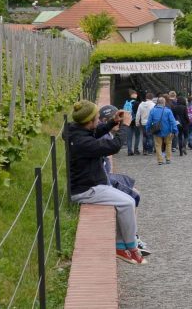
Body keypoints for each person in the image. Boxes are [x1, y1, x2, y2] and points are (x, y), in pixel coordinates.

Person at [63, 100, 147, 265]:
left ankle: (122, 245)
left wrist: (113, 122)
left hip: (89, 183)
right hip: (87, 189)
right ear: (89, 121)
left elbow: (95, 132)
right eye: (96, 118)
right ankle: (130, 247)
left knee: (127, 201)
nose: (98, 121)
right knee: (128, 202)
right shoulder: (83, 142)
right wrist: (125, 126)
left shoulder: (77, 131)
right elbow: (113, 146)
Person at [96, 105, 150, 256]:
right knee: (133, 196)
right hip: (103, 180)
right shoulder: (104, 136)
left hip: (105, 176)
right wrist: (124, 126)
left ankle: (133, 235)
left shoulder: (103, 132)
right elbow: (115, 147)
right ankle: (132, 238)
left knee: (132, 187)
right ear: (107, 120)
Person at [146, 97, 178, 165]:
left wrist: (147, 129)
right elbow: (172, 121)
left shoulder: (153, 110)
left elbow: (149, 122)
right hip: (168, 130)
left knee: (158, 145)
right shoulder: (168, 111)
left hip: (157, 131)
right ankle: (168, 159)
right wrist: (175, 130)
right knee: (168, 144)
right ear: (164, 103)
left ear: (157, 103)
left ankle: (160, 160)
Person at [121, 89, 142, 156]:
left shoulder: (126, 102)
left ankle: (129, 151)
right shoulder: (137, 103)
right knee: (137, 136)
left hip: (128, 121)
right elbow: (139, 113)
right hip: (135, 121)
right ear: (135, 95)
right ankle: (136, 150)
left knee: (129, 137)